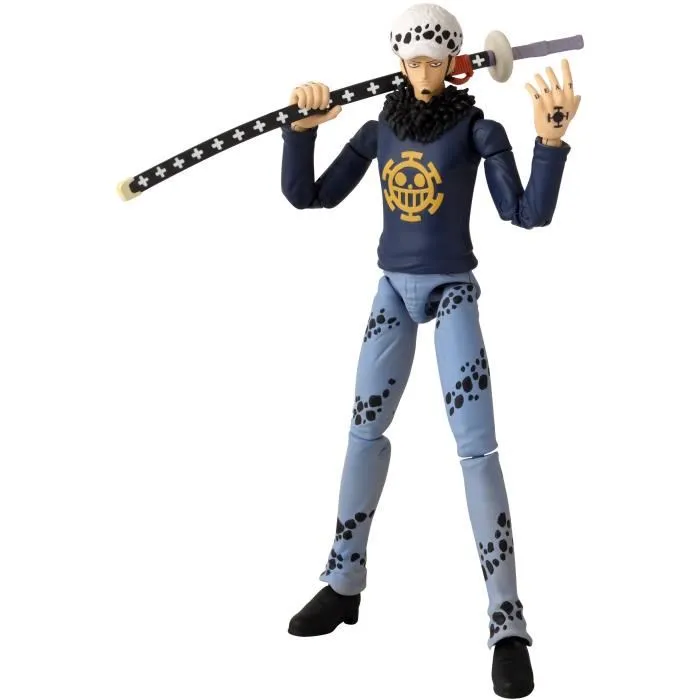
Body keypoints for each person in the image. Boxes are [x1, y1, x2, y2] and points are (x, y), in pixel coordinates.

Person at [279, 4, 580, 697]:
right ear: (399, 63)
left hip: (450, 292)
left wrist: (549, 143)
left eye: (433, 61)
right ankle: (343, 580)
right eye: (412, 61)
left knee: (477, 447)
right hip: (391, 289)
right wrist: (301, 133)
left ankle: (507, 621)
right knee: (363, 433)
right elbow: (308, 196)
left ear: (454, 64)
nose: (422, 73)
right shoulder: (378, 128)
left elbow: (527, 213)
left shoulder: (478, 130)